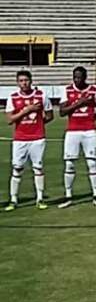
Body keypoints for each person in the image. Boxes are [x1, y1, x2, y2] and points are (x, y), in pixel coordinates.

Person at [4, 70, 52, 211]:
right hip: (20, 139)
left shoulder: (41, 96)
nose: (24, 83)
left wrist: (38, 124)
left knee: (38, 168)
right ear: (17, 82)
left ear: (31, 81)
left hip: (37, 138)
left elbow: (49, 116)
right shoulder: (13, 97)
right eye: (21, 81)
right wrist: (27, 110)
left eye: (26, 80)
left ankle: (40, 198)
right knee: (17, 168)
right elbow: (9, 119)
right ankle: (13, 200)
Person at [58, 66, 96, 208]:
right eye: (75, 77)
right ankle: (68, 196)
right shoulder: (67, 91)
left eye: (80, 77)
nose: (77, 80)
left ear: (85, 77)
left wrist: (90, 119)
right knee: (69, 163)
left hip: (89, 131)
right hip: (72, 131)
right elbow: (62, 112)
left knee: (92, 163)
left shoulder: (94, 91)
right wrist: (79, 103)